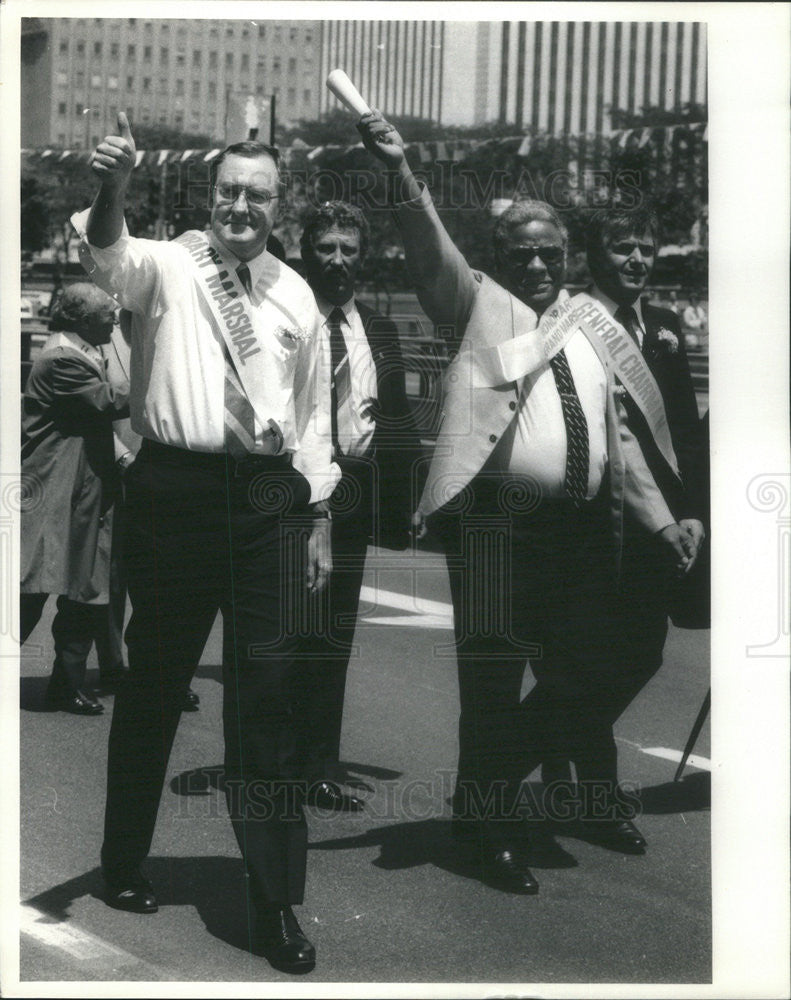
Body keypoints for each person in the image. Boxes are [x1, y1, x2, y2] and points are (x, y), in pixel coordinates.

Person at [357, 111, 693, 894]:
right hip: (496, 531)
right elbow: (428, 247)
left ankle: (485, 797)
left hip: (579, 534)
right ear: (498, 259)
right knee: (492, 685)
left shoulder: (592, 326)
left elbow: (622, 444)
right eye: (521, 253)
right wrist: (400, 172)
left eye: (549, 253)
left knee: (583, 673)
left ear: (568, 258)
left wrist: (660, 518)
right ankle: (492, 834)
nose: (536, 264)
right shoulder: (476, 308)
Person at [73, 113, 339, 974]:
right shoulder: (168, 264)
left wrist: (318, 516)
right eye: (227, 190)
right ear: (208, 195)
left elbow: (312, 424)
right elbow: (107, 256)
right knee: (154, 686)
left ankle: (274, 903)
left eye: (257, 195)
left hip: (266, 502)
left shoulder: (299, 298)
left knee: (268, 703)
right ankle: (121, 861)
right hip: (175, 489)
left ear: (278, 207)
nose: (239, 205)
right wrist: (110, 186)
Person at [299, 201, 422, 811]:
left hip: (352, 496)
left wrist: (404, 507)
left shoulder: (380, 330)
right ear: (306, 253)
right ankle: (271, 761)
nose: (338, 260)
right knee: (286, 634)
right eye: (327, 248)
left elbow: (396, 425)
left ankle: (318, 763)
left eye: (349, 249)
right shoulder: (288, 319)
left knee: (333, 637)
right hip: (290, 496)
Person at [585, 208, 708, 723]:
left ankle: (558, 746)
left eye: (646, 248)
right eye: (622, 247)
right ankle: (565, 764)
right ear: (594, 255)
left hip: (664, 524)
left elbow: (684, 429)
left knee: (643, 651)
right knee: (589, 657)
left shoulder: (663, 324)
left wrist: (694, 512)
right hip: (601, 519)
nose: (637, 259)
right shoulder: (574, 322)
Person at [20, 283, 129, 715]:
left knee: (84, 590)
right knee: (32, 590)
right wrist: (169, 378)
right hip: (54, 492)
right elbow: (111, 401)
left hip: (82, 492)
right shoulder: (63, 359)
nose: (114, 318)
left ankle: (65, 685)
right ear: (82, 318)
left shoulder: (81, 350)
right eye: (107, 312)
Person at [99, 314, 201, 710]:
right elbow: (94, 414)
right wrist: (122, 458)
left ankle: (171, 675)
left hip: (170, 478)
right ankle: (113, 664)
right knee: (113, 574)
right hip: (117, 471)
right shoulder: (105, 344)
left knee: (170, 580)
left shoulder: (180, 340)